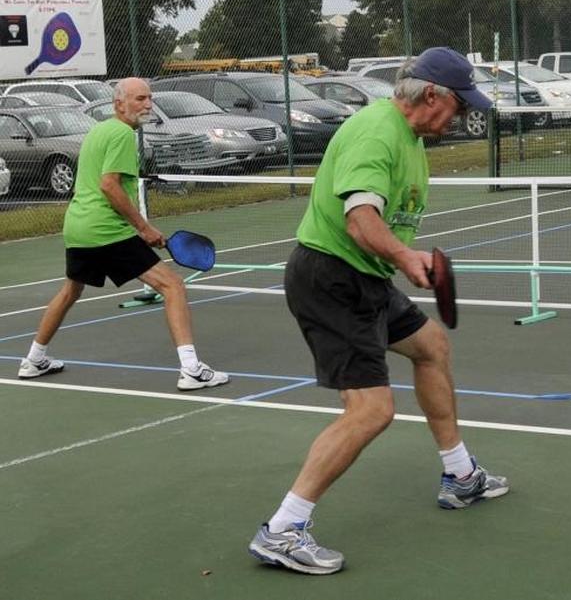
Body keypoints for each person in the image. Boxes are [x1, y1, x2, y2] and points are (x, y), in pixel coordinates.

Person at [248, 47, 509, 576]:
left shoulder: (410, 137)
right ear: (431, 95)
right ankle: (283, 529)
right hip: (330, 278)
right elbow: (360, 220)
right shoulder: (377, 131)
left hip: (364, 277)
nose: (460, 117)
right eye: (459, 107)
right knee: (371, 411)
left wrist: (400, 259)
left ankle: (460, 477)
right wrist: (405, 256)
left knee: (431, 345)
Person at [16, 78, 229, 392]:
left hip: (78, 227)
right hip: (104, 229)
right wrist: (143, 228)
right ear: (119, 103)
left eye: (149, 98)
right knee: (172, 285)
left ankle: (33, 360)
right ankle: (192, 370)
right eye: (140, 98)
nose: (147, 104)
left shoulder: (99, 130)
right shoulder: (120, 134)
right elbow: (109, 185)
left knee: (70, 292)